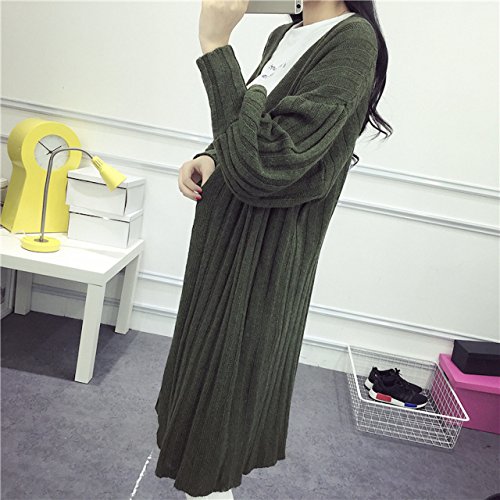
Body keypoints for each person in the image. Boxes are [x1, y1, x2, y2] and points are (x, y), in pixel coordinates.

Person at [155, 0, 392, 498]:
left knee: (231, 373)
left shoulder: (353, 40)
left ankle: (210, 485)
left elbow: (270, 158)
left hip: (269, 242)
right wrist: (212, 156)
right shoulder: (283, 36)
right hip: (226, 223)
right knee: (202, 359)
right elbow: (247, 126)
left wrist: (215, 45)